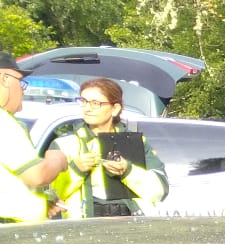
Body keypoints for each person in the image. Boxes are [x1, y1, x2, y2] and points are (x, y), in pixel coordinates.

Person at [52, 78, 168, 218]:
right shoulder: (65, 144)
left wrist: (127, 171)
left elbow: (160, 190)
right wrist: (75, 169)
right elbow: (51, 194)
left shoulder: (135, 142)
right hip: (85, 228)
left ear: (115, 109)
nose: (87, 108)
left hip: (132, 226)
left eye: (96, 103)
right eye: (83, 101)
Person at [0, 51, 70, 224]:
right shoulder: (3, 121)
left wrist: (38, 202)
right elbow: (37, 175)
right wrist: (57, 159)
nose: (23, 90)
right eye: (20, 82)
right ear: (3, 78)